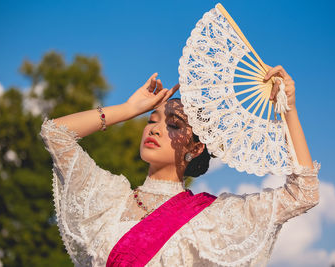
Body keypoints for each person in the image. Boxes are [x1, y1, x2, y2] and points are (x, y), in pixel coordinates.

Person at [40, 66, 320, 267]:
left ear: (196, 148)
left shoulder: (210, 217)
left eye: (173, 125)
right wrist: (128, 109)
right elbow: (55, 133)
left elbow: (304, 193)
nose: (156, 129)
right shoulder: (111, 198)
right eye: (152, 120)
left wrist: (287, 109)